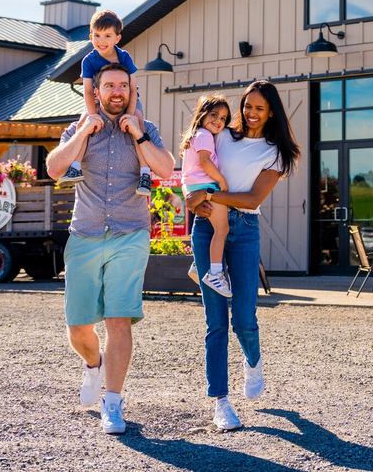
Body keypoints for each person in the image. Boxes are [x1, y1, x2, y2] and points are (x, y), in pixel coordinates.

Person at [46, 64, 175, 435]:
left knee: (119, 319)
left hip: (129, 234)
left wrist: (139, 136)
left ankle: (113, 402)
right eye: (109, 85)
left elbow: (166, 169)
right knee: (78, 328)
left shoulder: (144, 128)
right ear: (97, 91)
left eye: (122, 85)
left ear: (130, 89)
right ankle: (92, 365)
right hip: (84, 235)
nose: (116, 91)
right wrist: (84, 130)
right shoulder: (81, 127)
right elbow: (55, 168)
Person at [185, 80, 300, 432]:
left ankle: (253, 361)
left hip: (244, 229)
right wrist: (190, 198)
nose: (250, 113)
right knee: (215, 320)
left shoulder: (277, 152)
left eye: (259, 108)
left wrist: (209, 198)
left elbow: (251, 200)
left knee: (245, 317)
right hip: (206, 227)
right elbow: (192, 163)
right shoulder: (221, 134)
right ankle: (221, 401)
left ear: (271, 113)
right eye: (247, 105)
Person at [58, 9, 152, 196]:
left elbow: (133, 89)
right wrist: (93, 115)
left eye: (107, 36)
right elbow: (87, 90)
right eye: (97, 35)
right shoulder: (89, 61)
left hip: (128, 100)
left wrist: (130, 113)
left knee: (138, 122)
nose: (101, 41)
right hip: (101, 102)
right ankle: (75, 166)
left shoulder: (124, 57)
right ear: (91, 36)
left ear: (117, 38)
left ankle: (144, 173)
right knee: (84, 122)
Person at [179, 95, 232, 297]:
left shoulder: (198, 135)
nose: (219, 121)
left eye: (223, 118)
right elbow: (205, 162)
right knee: (222, 229)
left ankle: (197, 266)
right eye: (214, 115)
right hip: (206, 184)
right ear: (202, 115)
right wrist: (222, 181)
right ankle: (215, 273)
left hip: (196, 185)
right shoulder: (204, 135)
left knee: (215, 229)